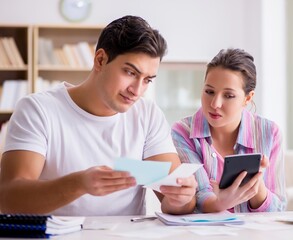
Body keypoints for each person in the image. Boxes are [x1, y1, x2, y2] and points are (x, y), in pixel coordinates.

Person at [0, 15, 196, 216]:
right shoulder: (38, 110)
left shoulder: (148, 115)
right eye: (130, 72)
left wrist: (183, 198)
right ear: (100, 60)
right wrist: (78, 184)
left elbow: (175, 203)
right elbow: (8, 199)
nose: (137, 90)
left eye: (147, 80)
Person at [172, 48, 287, 213]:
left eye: (229, 95)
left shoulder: (270, 133)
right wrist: (221, 202)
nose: (215, 104)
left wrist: (256, 185)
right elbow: (199, 197)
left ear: (247, 98)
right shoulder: (182, 132)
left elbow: (277, 211)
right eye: (209, 92)